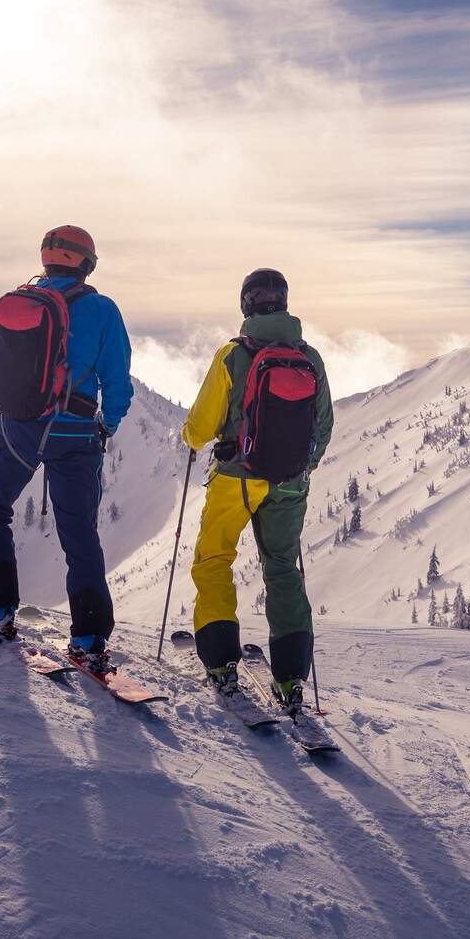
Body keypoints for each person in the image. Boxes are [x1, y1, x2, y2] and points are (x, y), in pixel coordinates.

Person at [0, 226, 133, 668]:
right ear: (86, 263)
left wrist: (15, 402)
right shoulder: (102, 309)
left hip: (20, 429)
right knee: (79, 533)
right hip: (77, 434)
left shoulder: (19, 305)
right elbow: (117, 382)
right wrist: (106, 425)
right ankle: (89, 638)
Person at [182, 268, 334, 709]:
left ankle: (219, 659)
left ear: (246, 305)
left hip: (236, 479)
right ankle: (290, 677)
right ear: (284, 303)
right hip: (289, 484)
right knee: (283, 568)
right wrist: (299, 469)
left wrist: (191, 439)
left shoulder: (232, 355)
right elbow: (323, 426)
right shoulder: (310, 357)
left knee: (214, 559)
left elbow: (202, 426)